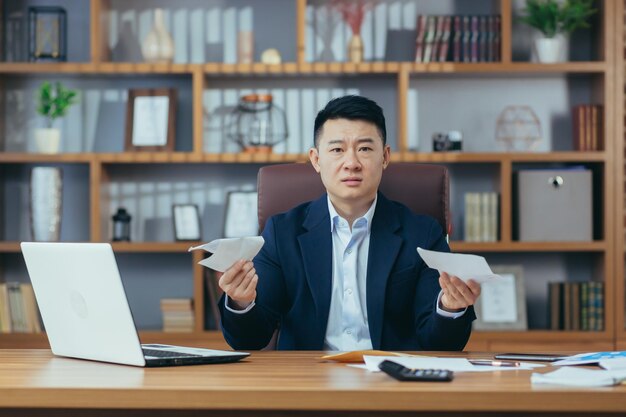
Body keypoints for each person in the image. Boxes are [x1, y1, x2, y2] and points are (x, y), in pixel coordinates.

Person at [218, 95, 481, 351]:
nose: (351, 163)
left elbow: (442, 344)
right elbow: (250, 339)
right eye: (337, 150)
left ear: (385, 157)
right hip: (309, 382)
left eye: (365, 149)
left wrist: (449, 308)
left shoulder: (422, 234)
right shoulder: (282, 233)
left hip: (392, 383)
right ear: (316, 159)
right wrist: (241, 303)